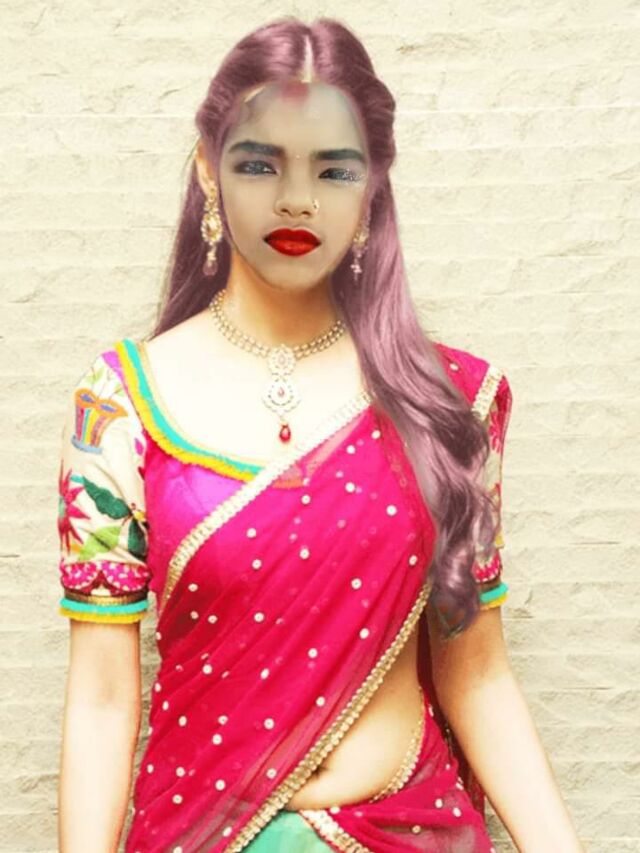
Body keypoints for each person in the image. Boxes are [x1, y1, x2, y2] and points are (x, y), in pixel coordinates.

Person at [56, 17, 585, 853]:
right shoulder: (122, 405)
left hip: (413, 833)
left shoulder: (446, 406)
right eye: (260, 163)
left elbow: (478, 672)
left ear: (373, 186)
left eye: (333, 169)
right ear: (207, 168)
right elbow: (101, 698)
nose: (296, 200)